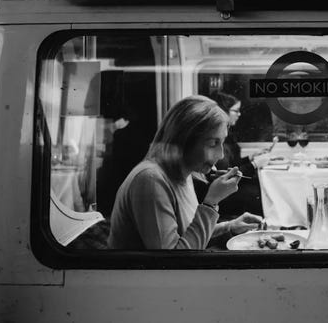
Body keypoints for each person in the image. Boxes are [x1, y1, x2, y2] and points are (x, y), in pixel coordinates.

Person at [107, 95, 263, 249]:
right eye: (213, 143)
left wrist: (230, 227)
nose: (221, 154)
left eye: (221, 142)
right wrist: (211, 203)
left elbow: (188, 235)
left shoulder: (185, 174)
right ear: (184, 141)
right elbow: (173, 261)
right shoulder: (150, 180)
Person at [195, 91, 272, 216]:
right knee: (259, 193)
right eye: (235, 110)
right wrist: (253, 164)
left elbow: (233, 164)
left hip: (225, 186)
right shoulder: (218, 141)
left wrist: (251, 158)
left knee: (262, 187)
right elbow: (225, 172)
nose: (239, 114)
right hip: (219, 192)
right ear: (223, 111)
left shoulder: (228, 136)